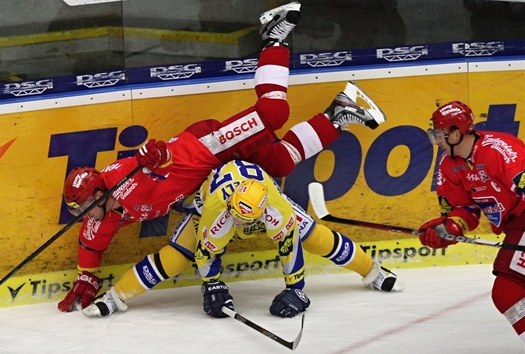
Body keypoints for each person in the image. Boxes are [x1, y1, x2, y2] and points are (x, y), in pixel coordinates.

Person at [58, 2, 386, 313]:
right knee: (281, 161)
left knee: (273, 111)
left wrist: (158, 154)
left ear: (100, 194)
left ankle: (273, 37)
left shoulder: (120, 180)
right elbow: (91, 246)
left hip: (209, 147)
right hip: (212, 171)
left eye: (83, 206)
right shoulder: (104, 214)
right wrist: (87, 276)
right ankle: (338, 113)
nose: (82, 214)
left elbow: (156, 161)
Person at [82, 160, 401, 318]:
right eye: (238, 219)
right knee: (178, 256)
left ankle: (373, 271)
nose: (240, 226)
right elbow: (207, 254)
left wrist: (296, 291)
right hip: (208, 202)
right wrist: (213, 285)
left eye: (247, 222)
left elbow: (289, 247)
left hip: (260, 197)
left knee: (314, 236)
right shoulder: (220, 210)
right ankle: (114, 298)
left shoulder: (275, 207)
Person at [418, 100, 525, 344]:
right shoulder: (448, 166)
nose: (438, 142)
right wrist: (448, 228)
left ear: (456, 132)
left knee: (507, 289)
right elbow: (466, 210)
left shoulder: (500, 150)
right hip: (515, 227)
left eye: (440, 134)